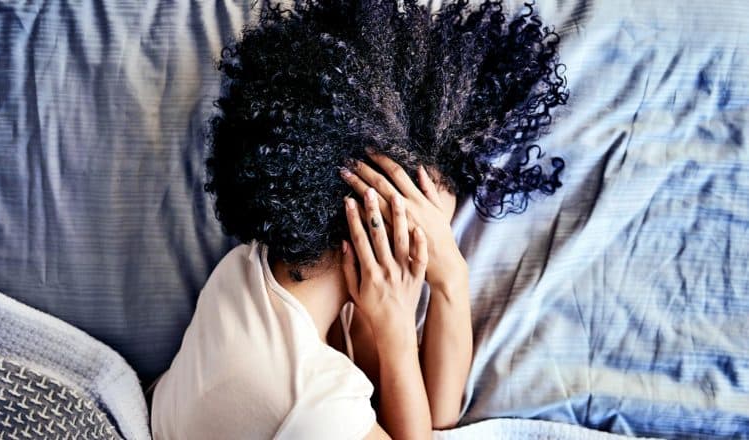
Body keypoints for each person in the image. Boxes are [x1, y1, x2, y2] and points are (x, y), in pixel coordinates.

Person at [150, 0, 567, 438]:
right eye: (434, 227)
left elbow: (433, 418)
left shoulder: (246, 276)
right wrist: (399, 339)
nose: (440, 243)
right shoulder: (311, 402)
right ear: (382, 215)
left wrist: (449, 284)